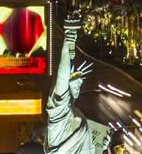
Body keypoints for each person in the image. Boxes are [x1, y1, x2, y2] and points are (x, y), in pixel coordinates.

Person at [45, 14, 110, 154]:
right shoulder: (59, 113)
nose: (78, 88)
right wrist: (68, 41)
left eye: (79, 84)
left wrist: (100, 146)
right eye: (74, 84)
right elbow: (62, 77)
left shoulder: (75, 113)